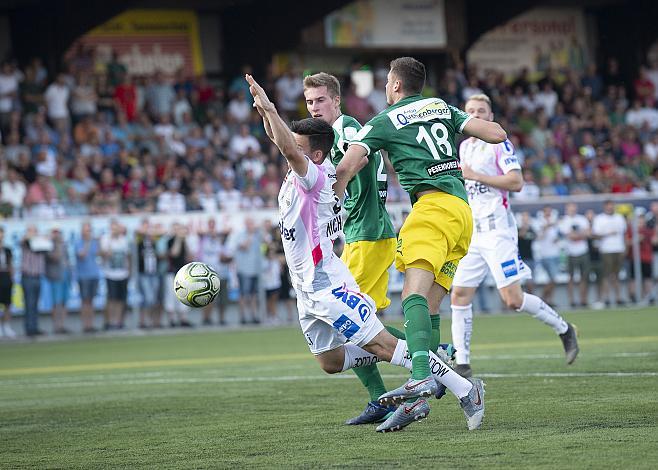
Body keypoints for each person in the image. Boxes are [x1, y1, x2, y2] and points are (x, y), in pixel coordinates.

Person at [246, 73, 485, 433]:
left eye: (296, 147)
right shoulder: (304, 171)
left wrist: (269, 107)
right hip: (305, 287)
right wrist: (265, 115)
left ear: (314, 154)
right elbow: (284, 143)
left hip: (327, 282)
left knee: (382, 345)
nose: (286, 151)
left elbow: (288, 148)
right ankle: (425, 350)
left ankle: (462, 387)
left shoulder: (315, 178)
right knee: (329, 360)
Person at [334, 57, 500, 422]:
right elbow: (496, 133)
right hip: (462, 214)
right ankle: (441, 390)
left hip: (431, 211)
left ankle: (421, 377)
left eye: (387, 84)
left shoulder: (383, 121)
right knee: (431, 305)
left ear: (394, 85)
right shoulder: (441, 106)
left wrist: (333, 196)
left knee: (411, 295)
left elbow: (348, 164)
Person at [449, 95, 579, 378]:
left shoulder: (499, 143)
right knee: (459, 294)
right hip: (472, 231)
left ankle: (565, 328)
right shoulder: (463, 147)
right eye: (470, 111)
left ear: (491, 116)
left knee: (513, 300)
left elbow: (516, 182)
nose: (475, 115)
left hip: (498, 232)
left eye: (481, 111)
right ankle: (463, 362)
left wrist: (476, 176)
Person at [303, 72, 398, 425]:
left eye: (320, 100)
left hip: (369, 233)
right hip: (362, 234)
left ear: (336, 101)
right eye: (310, 102)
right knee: (356, 324)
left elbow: (362, 157)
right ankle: (381, 398)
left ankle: (433, 355)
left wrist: (337, 185)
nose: (314, 108)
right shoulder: (332, 136)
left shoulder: (345, 129)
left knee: (350, 324)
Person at [592, 201, 627, 306]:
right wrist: (608, 233)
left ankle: (618, 298)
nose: (610, 208)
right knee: (606, 275)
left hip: (619, 249)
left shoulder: (619, 218)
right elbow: (596, 235)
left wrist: (625, 248)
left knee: (616, 275)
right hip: (606, 250)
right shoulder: (599, 219)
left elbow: (624, 234)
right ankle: (606, 298)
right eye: (608, 206)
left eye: (611, 206)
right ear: (604, 207)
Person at [100, 220, 131, 329]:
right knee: (111, 299)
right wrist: (110, 241)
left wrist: (129, 271)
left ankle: (118, 322)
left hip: (123, 273)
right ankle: (109, 321)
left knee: (120, 299)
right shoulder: (105, 239)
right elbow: (104, 254)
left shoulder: (124, 240)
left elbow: (127, 256)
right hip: (110, 273)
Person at [559, 203, 591, 307]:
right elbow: (570, 236)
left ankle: (583, 300)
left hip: (582, 251)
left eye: (573, 208)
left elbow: (588, 233)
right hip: (570, 252)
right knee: (571, 277)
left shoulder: (582, 219)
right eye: (570, 208)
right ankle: (572, 301)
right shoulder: (564, 220)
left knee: (584, 277)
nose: (572, 210)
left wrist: (577, 235)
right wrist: (580, 235)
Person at [232, 217, 262, 325]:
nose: (251, 226)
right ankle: (243, 316)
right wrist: (250, 235)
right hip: (244, 269)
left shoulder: (258, 234)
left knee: (254, 294)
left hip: (255, 269)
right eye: (249, 224)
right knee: (243, 294)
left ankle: (254, 315)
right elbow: (244, 247)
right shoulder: (241, 235)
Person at [21, 225, 46, 336]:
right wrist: (31, 235)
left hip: (38, 276)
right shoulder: (26, 243)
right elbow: (24, 240)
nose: (34, 233)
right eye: (32, 231)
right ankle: (29, 328)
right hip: (28, 276)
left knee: (35, 304)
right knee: (29, 303)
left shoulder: (40, 243)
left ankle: (35, 326)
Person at [75, 222, 101, 332]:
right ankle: (85, 325)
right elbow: (82, 255)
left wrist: (99, 242)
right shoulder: (78, 243)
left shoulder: (95, 242)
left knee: (91, 301)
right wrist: (87, 242)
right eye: (86, 230)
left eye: (89, 230)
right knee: (84, 301)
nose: (88, 233)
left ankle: (91, 324)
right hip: (83, 276)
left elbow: (100, 254)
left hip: (94, 274)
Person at [45, 228, 71, 334]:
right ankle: (56, 326)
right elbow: (55, 257)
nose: (57, 235)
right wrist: (56, 244)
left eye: (58, 233)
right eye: (55, 233)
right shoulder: (49, 246)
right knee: (56, 302)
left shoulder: (64, 245)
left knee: (64, 301)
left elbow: (67, 260)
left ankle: (62, 325)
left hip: (66, 275)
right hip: (56, 276)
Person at [0, 227, 16, 339]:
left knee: (7, 303)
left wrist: (12, 277)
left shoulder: (7, 250)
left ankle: (6, 326)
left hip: (6, 277)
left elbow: (11, 265)